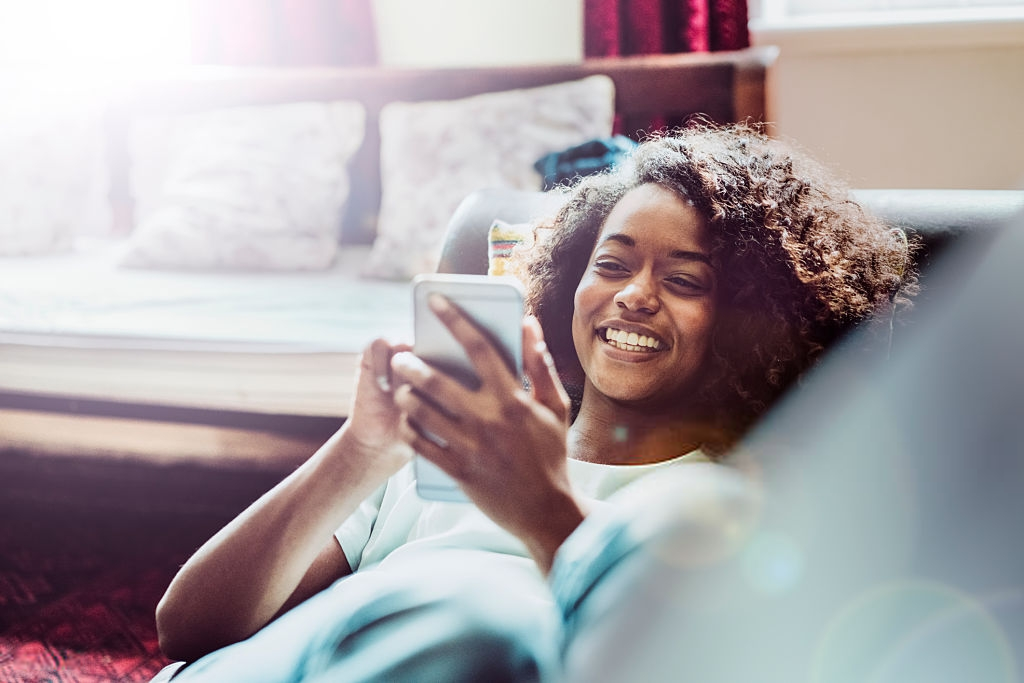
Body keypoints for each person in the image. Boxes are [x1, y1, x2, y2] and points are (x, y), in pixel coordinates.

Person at [151, 123, 916, 682]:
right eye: (611, 264)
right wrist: (359, 452)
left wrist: (543, 506)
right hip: (302, 661)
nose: (634, 296)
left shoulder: (735, 501)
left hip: (460, 660)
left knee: (483, 626)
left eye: (684, 281)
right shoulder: (461, 440)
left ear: (750, 324)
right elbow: (189, 628)